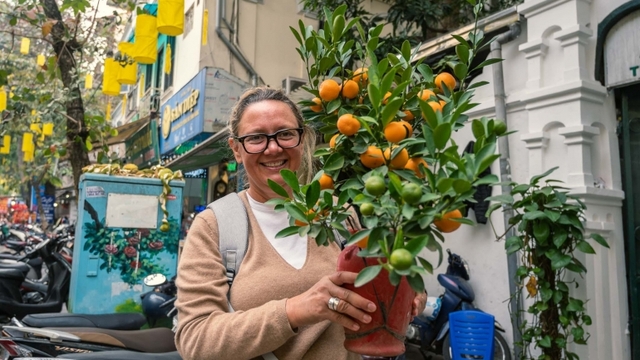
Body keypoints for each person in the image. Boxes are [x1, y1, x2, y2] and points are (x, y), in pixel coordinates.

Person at [174, 87, 427, 360]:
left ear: (302, 138)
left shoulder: (338, 215)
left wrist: (409, 290)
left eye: (285, 134)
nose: (273, 148)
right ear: (236, 149)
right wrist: (294, 311)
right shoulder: (216, 226)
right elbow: (195, 340)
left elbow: (378, 274)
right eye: (256, 138)